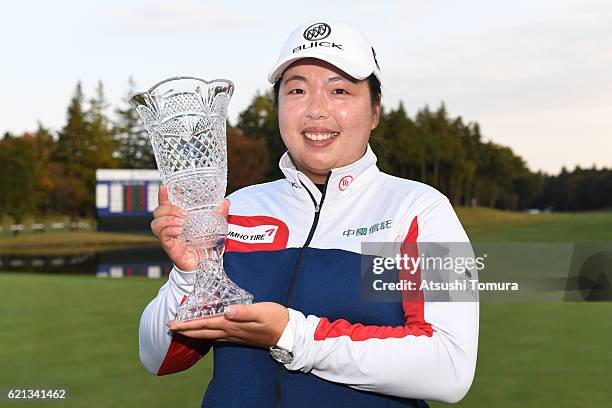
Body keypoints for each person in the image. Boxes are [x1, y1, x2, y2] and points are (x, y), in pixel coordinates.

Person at [139, 20, 479, 407]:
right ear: (279, 107)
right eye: (297, 89)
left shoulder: (421, 209)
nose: (316, 109)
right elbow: (159, 359)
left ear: (374, 111)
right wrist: (188, 276)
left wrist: (291, 335)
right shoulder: (237, 209)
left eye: (339, 90)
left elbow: (450, 367)